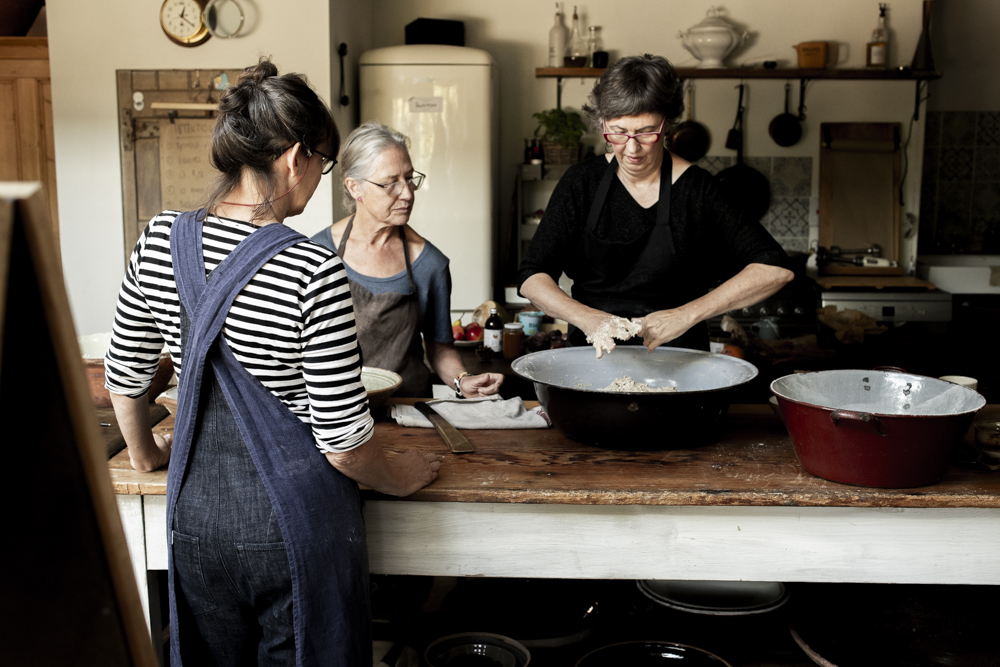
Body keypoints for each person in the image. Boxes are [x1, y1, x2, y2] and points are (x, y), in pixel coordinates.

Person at [105, 59, 440, 666]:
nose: (319, 179)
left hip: (194, 523)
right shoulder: (310, 269)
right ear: (294, 157)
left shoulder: (157, 238)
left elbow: (125, 376)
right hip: (292, 529)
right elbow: (342, 442)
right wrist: (402, 475)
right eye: (323, 163)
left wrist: (146, 455)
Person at [518, 54, 793, 356]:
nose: (632, 148)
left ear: (667, 125)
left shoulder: (698, 190)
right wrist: (588, 319)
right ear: (602, 123)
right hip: (591, 360)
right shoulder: (582, 182)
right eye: (619, 132)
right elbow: (533, 275)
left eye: (646, 132)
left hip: (680, 364)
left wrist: (687, 314)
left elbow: (774, 268)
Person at [311, 122, 503, 398]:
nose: (407, 193)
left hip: (407, 408)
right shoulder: (319, 252)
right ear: (354, 188)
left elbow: (439, 348)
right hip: (336, 409)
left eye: (410, 178)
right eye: (391, 183)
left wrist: (463, 381)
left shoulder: (429, 264)